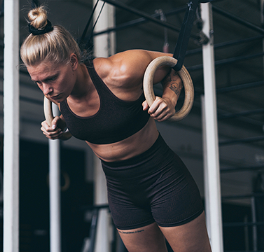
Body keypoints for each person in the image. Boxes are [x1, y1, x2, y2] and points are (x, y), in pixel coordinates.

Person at [20, 6, 212, 252]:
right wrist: (62, 127)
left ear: (73, 61)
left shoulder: (121, 72)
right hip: (122, 193)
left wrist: (170, 100)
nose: (46, 90)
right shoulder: (59, 95)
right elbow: (100, 122)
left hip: (163, 180)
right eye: (38, 82)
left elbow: (175, 69)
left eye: (51, 78)